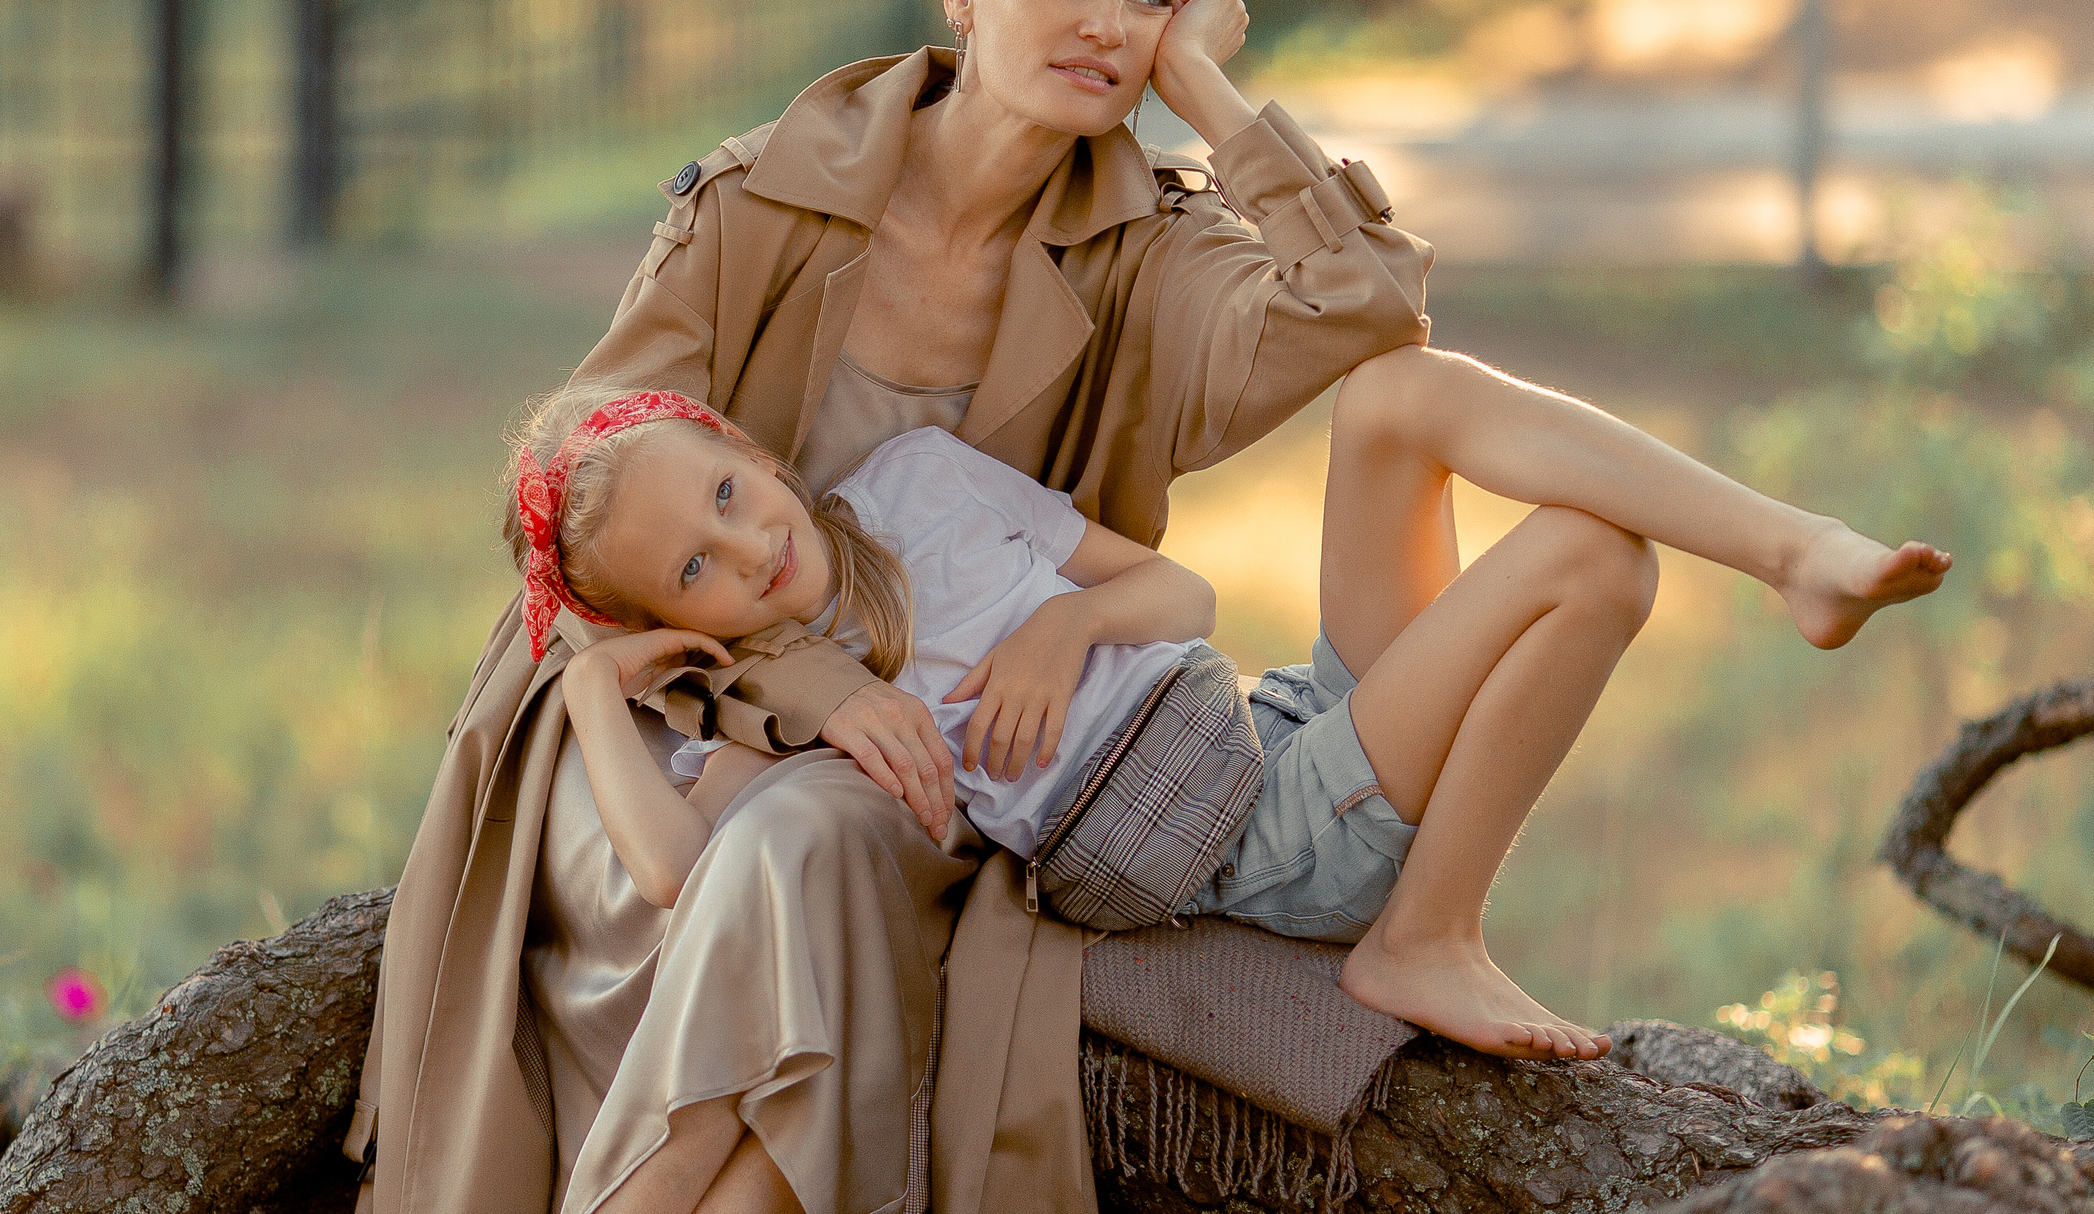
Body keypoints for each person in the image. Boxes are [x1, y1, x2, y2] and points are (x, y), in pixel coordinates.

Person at [329, 0, 1440, 1214]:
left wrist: (1209, 91)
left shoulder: (1142, 251)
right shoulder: (760, 202)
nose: (1108, 23)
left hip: (931, 760)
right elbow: (573, 527)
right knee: (792, 852)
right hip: (664, 714)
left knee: (823, 858)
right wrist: (810, 693)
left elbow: (1373, 309)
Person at [498, 383, 1947, 1084]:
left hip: (1272, 724)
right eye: (691, 570)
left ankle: (1792, 548)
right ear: (673, 620)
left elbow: (1176, 588)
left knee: (1393, 396)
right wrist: (585, 687)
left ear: (758, 458)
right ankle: (1422, 934)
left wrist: (1064, 627)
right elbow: (681, 872)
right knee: (1593, 561)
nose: (741, 553)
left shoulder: (912, 481)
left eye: (730, 500)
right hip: (1261, 839)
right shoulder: (795, 701)